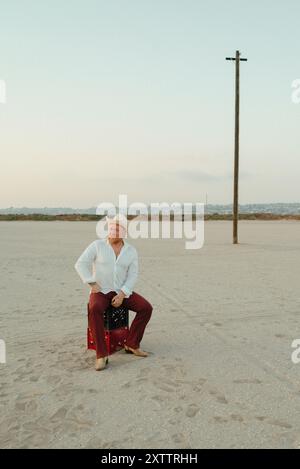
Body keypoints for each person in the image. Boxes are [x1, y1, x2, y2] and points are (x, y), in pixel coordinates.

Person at [75, 214, 153, 371]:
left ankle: (131, 344)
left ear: (124, 232)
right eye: (112, 228)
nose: (114, 232)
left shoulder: (130, 251)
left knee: (146, 308)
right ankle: (101, 355)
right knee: (94, 309)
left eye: (118, 229)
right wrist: (91, 282)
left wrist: (123, 294)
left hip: (121, 291)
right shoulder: (97, 245)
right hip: (101, 290)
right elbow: (80, 264)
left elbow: (133, 274)